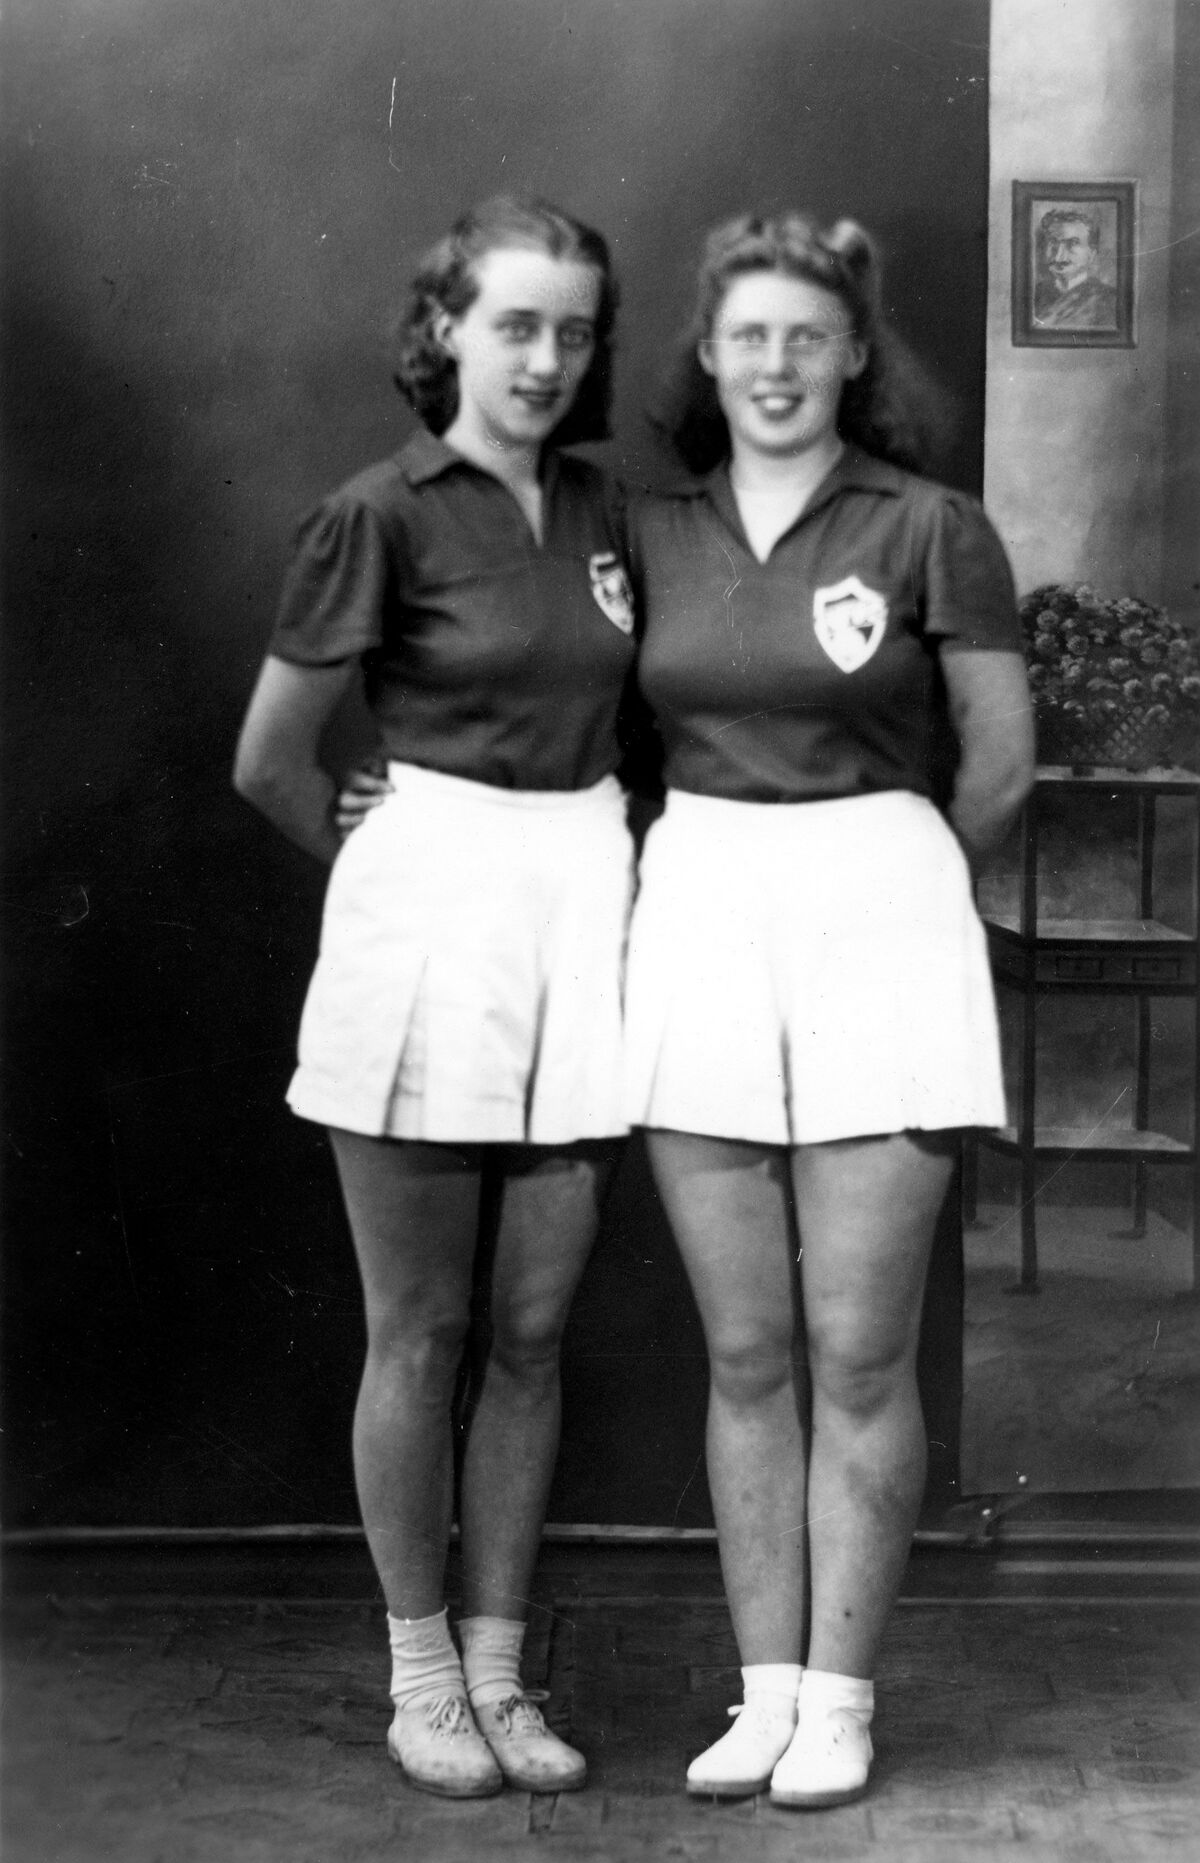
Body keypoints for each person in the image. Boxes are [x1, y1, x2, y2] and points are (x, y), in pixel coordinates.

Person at [621, 211, 1034, 1809]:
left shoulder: (931, 526)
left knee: (861, 1348)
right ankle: (768, 1691)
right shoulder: (651, 529)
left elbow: (998, 766)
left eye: (808, 335)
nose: (778, 364)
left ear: (856, 352)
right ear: (709, 356)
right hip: (701, 906)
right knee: (747, 1344)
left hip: (881, 911)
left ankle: (844, 1696)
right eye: (751, 336)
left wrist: (890, 885)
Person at [233, 196, 638, 1801]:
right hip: (429, 923)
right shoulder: (376, 514)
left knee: (531, 1329)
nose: (545, 359)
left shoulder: (609, 512)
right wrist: (399, 857)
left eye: (573, 330)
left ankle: (498, 1664)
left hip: (579, 909)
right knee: (424, 1325)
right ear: (445, 331)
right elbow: (274, 761)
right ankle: (420, 1676)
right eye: (514, 324)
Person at [1032, 206, 1118, 330]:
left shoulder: (1111, 300)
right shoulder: (1032, 296)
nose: (1059, 256)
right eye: (1053, 242)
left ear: (1091, 253)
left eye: (1072, 243)